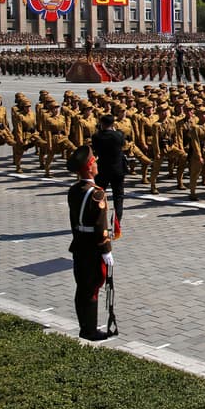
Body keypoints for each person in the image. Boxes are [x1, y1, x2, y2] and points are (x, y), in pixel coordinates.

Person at [66, 145, 114, 341]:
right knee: (92, 287)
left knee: (82, 287)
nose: (96, 165)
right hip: (93, 247)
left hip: (79, 243)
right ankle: (90, 330)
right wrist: (106, 250)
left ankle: (84, 326)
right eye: (93, 163)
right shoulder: (97, 193)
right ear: (88, 168)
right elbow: (101, 225)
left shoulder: (75, 189)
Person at [90, 114, 127, 239]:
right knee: (118, 197)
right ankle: (117, 224)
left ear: (102, 123)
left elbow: (94, 148)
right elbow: (123, 143)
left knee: (99, 196)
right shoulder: (119, 135)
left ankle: (99, 221)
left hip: (103, 170)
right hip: (117, 170)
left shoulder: (96, 136)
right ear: (113, 124)